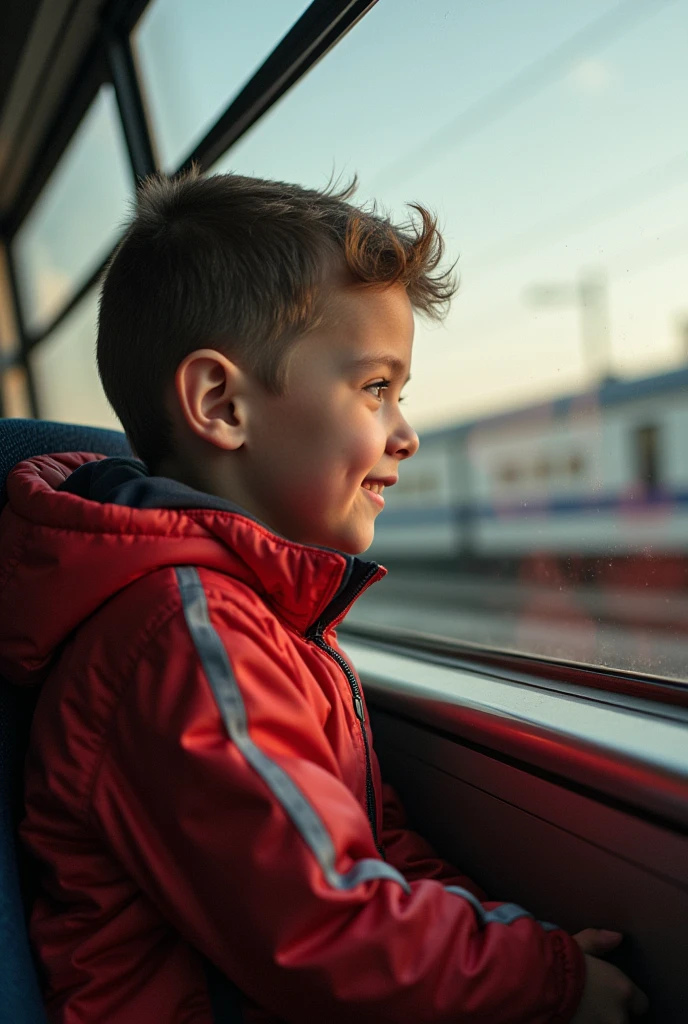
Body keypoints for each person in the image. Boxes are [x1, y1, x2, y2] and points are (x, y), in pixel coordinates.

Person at [0, 170, 647, 1023]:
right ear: (220, 403)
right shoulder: (181, 638)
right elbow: (321, 926)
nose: (407, 433)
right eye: (377, 387)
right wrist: (540, 980)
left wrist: (516, 939)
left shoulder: (260, 618)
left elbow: (375, 847)